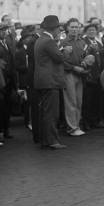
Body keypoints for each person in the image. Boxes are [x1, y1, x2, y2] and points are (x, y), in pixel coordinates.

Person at [33, 15, 71, 149]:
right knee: (51, 113)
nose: (59, 31)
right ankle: (53, 141)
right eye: (59, 29)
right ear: (54, 29)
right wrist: (66, 51)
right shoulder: (49, 41)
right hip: (50, 81)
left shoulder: (40, 40)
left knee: (45, 112)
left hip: (42, 80)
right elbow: (59, 58)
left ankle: (45, 140)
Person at [61, 18, 88, 136]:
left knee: (78, 102)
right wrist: (73, 68)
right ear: (67, 28)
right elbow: (60, 61)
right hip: (68, 74)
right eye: (72, 27)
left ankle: (76, 125)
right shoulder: (63, 42)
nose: (74, 29)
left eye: (76, 27)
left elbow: (85, 56)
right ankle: (72, 128)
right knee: (70, 102)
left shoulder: (82, 42)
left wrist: (85, 63)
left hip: (80, 74)